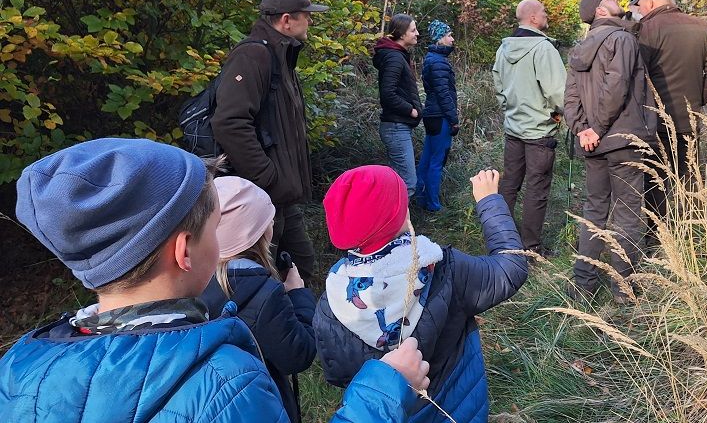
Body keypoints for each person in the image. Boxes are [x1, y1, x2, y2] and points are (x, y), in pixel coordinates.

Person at [0, 138, 430, 423]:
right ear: (185, 251)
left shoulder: (19, 368)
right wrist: (383, 391)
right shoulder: (227, 382)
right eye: (215, 223)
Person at [314, 165, 528, 423]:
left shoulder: (331, 301)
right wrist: (489, 201)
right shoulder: (445, 270)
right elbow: (511, 269)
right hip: (457, 410)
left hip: (388, 414)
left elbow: (338, 375)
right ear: (401, 215)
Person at [211, 0, 323, 284]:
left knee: (302, 265)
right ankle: (263, 327)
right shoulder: (253, 55)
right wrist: (266, 177)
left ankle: (296, 321)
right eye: (306, 16)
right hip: (264, 192)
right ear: (286, 20)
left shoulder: (280, 54)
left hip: (281, 193)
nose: (310, 21)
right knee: (260, 277)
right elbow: (229, 122)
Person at [564, 0, 660, 301]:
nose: (615, 0)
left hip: (595, 144)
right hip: (623, 139)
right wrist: (595, 128)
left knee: (595, 209)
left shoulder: (579, 49)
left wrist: (582, 130)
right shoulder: (623, 40)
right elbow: (616, 86)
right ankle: (623, 287)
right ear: (601, 11)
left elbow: (571, 98)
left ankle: (583, 284)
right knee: (629, 213)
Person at [201, 175, 316, 423]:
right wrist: (297, 294)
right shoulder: (264, 292)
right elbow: (298, 354)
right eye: (269, 220)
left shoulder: (191, 283)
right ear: (258, 233)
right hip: (264, 403)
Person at [631, 0, 707, 216]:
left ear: (650, 2)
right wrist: (695, 100)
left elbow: (635, 76)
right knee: (690, 177)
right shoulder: (701, 26)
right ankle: (694, 232)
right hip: (690, 118)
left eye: (640, 5)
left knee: (655, 180)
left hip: (654, 119)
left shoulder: (645, 30)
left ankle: (657, 237)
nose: (639, 10)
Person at [492, 0, 567, 257]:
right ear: (533, 18)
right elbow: (559, 92)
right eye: (544, 11)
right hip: (539, 131)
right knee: (537, 188)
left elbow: (499, 85)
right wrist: (559, 114)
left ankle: (499, 240)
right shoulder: (543, 49)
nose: (547, 15)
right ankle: (530, 247)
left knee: (510, 184)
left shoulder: (504, 48)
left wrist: (510, 109)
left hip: (513, 128)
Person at [373, 13, 423, 198]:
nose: (417, 33)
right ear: (401, 34)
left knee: (398, 182)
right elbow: (387, 95)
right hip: (396, 127)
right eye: (413, 30)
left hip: (397, 126)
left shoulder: (397, 55)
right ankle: (397, 226)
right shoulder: (394, 58)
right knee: (408, 183)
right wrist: (410, 110)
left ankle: (390, 224)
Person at [416, 20, 458, 212]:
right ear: (440, 39)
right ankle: (433, 205)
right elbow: (443, 94)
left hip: (432, 115)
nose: (452, 38)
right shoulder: (438, 62)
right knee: (437, 160)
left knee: (427, 158)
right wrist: (453, 118)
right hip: (439, 116)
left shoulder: (431, 59)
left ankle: (420, 199)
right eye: (449, 35)